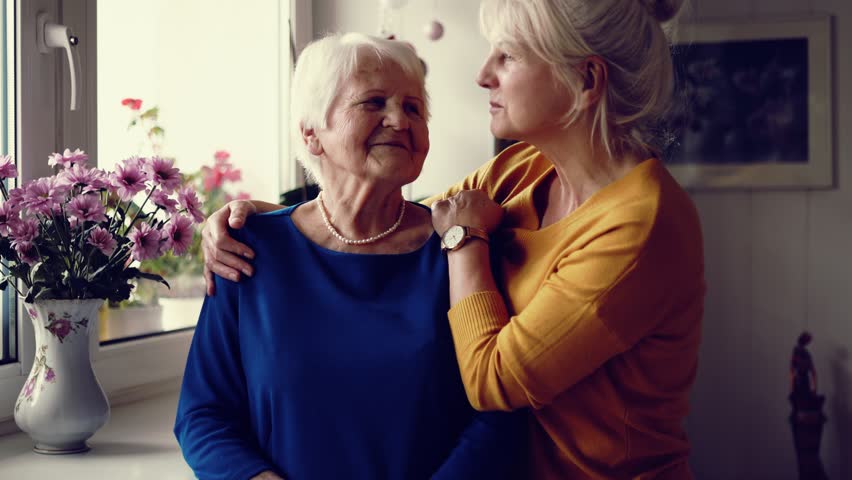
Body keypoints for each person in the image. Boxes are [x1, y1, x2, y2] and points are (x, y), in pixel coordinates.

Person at [203, 0, 705, 478]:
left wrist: (465, 240)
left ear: (585, 79)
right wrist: (263, 220)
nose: (483, 74)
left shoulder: (642, 224)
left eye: (507, 56)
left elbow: (494, 380)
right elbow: (396, 215)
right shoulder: (524, 169)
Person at [174, 32, 525, 480]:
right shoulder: (246, 248)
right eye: (373, 102)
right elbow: (203, 415)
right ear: (312, 135)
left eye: (414, 108)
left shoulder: (460, 249)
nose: (400, 120)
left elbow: (499, 415)